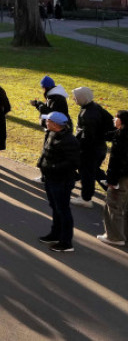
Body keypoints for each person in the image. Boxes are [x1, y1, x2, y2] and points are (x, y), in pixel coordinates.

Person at [37, 111, 81, 253]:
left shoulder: (69, 140)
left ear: (56, 124)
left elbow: (73, 162)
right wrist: (41, 164)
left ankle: (66, 242)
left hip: (62, 180)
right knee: (55, 207)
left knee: (63, 210)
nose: (46, 122)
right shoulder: (51, 133)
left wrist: (53, 167)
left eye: (48, 121)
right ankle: (55, 234)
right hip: (51, 178)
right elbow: (46, 152)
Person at [71, 86, 114, 208]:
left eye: (76, 97)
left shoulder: (88, 114)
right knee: (95, 171)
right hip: (100, 148)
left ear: (82, 98)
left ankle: (86, 199)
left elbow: (87, 136)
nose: (74, 99)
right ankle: (113, 193)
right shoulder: (95, 107)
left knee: (87, 174)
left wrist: (78, 147)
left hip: (89, 151)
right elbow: (111, 123)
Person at [97, 109, 128, 247]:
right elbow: (107, 135)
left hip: (120, 178)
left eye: (117, 118)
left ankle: (115, 237)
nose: (114, 120)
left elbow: (118, 161)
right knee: (124, 206)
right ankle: (123, 234)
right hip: (124, 177)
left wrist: (112, 181)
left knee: (113, 205)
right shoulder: (120, 133)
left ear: (123, 121)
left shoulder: (122, 138)